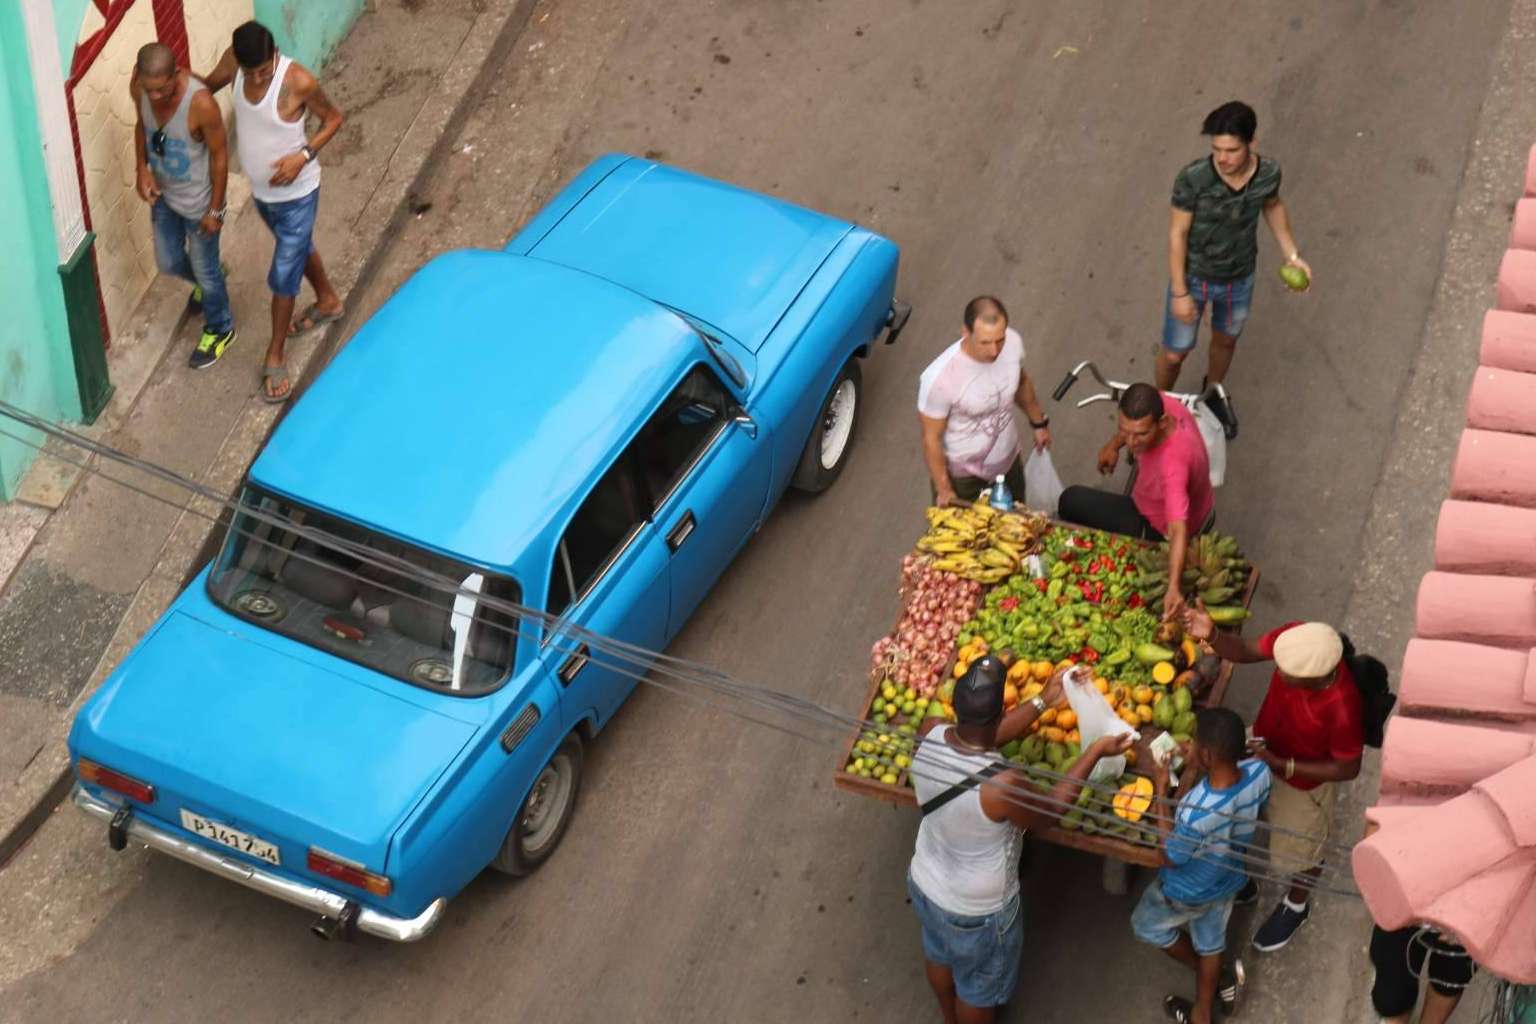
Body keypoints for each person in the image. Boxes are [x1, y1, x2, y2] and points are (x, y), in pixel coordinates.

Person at [908, 657, 1132, 1023]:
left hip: (925, 881)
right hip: (977, 912)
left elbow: (981, 737)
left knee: (940, 955)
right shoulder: (1002, 785)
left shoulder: (929, 729)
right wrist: (1094, 752)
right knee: (977, 991)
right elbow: (1052, 809)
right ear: (999, 714)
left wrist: (1044, 700)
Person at [1182, 609, 1363, 953]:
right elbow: (1249, 650)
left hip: (1301, 777)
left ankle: (1297, 905)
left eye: (1287, 673)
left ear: (1316, 679)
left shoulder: (1342, 706)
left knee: (1302, 850)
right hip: (1262, 745)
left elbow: (1347, 767)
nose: (1278, 672)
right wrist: (1214, 635)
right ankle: (1240, 881)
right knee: (1232, 813)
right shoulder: (1295, 638)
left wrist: (1285, 765)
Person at [203, 21, 345, 403]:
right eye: (251, 73)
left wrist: (303, 156)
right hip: (264, 195)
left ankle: (275, 354)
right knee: (297, 249)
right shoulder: (234, 64)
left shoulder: (297, 80)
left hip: (299, 193)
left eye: (264, 71)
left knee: (283, 275)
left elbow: (334, 119)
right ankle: (329, 301)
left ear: (276, 56)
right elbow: (205, 87)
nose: (258, 79)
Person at [1162, 100, 1311, 438]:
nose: (1223, 158)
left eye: (1231, 150)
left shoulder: (1268, 173)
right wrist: (1181, 291)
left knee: (1225, 341)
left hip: (1238, 279)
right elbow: (1177, 233)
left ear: (1251, 143)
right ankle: (1161, 403)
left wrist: (1292, 255)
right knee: (1174, 354)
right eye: (1216, 149)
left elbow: (1272, 206)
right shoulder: (1193, 178)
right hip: (1194, 278)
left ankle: (1212, 392)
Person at [1133, 708, 1270, 1024]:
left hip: (1187, 890)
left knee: (1146, 925)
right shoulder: (1260, 772)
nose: (1188, 747)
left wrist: (1160, 789)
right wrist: (1196, 754)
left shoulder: (1194, 809)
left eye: (1193, 743)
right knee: (1211, 942)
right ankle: (1202, 1013)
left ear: (1206, 755)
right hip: (1227, 879)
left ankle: (1216, 977)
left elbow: (1171, 855)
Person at [1058, 382, 1213, 620]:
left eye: (1141, 434)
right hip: (1177, 499)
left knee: (1070, 501)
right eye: (1124, 431)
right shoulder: (1162, 403)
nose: (1131, 442)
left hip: (1155, 525)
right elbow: (1130, 430)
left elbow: (1177, 528)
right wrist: (1113, 445)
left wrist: (1172, 588)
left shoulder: (1173, 466)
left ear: (1161, 423)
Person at [131, 43, 236, 369]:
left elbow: (220, 156)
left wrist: (215, 210)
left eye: (163, 90)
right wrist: (141, 167)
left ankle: (221, 328)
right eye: (151, 91)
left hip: (199, 203)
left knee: (205, 273)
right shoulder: (140, 90)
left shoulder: (200, 103)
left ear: (176, 75)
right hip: (164, 196)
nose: (157, 97)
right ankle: (212, 281)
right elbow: (141, 126)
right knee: (169, 262)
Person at [918, 296, 1051, 508]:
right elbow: (930, 438)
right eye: (985, 342)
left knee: (1016, 527)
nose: (994, 351)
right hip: (964, 479)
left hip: (1008, 464)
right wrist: (944, 489)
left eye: (1000, 340)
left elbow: (1021, 381)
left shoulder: (1013, 343)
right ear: (966, 333)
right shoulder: (940, 379)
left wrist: (1038, 423)